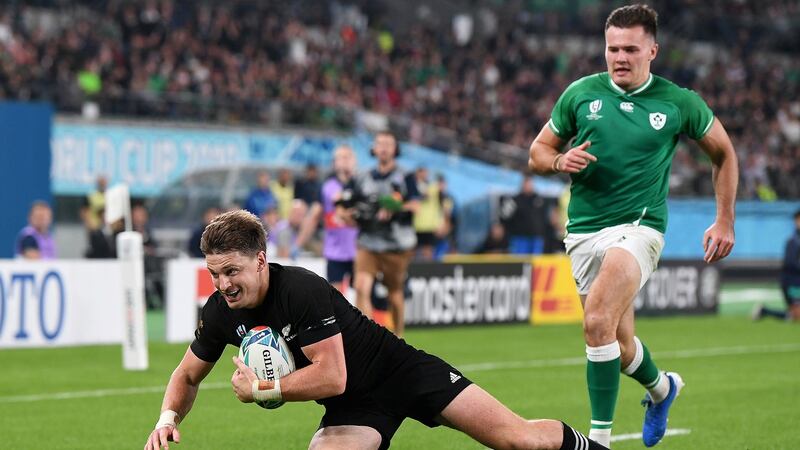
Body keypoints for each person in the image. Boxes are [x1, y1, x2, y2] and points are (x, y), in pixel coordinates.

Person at [143, 209, 607, 450]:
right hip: (354, 408)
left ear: (261, 260)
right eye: (215, 273)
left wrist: (265, 389)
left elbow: (332, 375)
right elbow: (187, 375)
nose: (223, 284)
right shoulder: (221, 310)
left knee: (518, 440)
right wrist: (168, 420)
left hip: (403, 373)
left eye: (232, 271)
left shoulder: (301, 289)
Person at [527, 5, 738, 447]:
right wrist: (560, 160)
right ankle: (663, 389)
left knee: (596, 319)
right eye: (612, 48)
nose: (619, 57)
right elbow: (538, 152)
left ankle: (598, 440)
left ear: (652, 51)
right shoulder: (581, 94)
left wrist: (724, 219)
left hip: (639, 229)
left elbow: (723, 153)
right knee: (619, 348)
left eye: (630, 49)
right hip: (584, 232)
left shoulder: (678, 102)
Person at [339, 131, 419, 337]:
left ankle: (399, 336)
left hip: (396, 245)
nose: (383, 148)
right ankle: (369, 337)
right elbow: (342, 203)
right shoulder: (361, 176)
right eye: (379, 143)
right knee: (361, 286)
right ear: (374, 149)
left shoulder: (406, 176)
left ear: (395, 149)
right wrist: (346, 215)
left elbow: (416, 205)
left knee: (394, 293)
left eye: (388, 144)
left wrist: (395, 208)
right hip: (368, 242)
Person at [295, 145, 359, 295]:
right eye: (341, 157)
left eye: (348, 157)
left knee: (362, 294)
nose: (345, 161)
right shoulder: (327, 187)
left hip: (359, 251)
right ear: (334, 162)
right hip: (335, 252)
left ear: (355, 161)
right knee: (336, 297)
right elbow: (313, 216)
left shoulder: (362, 184)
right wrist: (298, 243)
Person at [753, 209, 800, 322]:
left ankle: (764, 311)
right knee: (797, 315)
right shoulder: (793, 241)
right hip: (792, 282)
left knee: (795, 316)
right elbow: (790, 263)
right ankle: (765, 311)